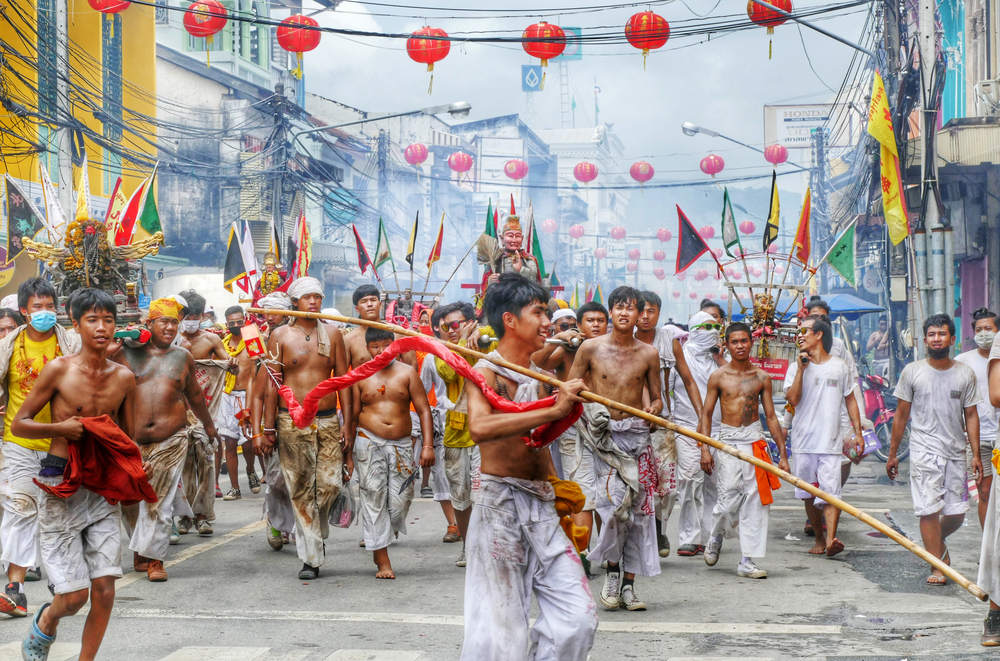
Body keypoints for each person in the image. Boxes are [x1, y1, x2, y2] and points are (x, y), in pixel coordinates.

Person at [462, 272, 595, 660]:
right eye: (538, 312)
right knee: (502, 630)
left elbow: (583, 348)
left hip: (542, 504)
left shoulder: (541, 368)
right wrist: (552, 408)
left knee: (578, 619)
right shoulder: (484, 370)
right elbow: (480, 427)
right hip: (498, 505)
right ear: (510, 320)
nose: (547, 321)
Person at [10, 288, 137, 661]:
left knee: (105, 589)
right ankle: (47, 621)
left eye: (108, 320)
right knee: (73, 597)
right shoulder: (59, 369)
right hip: (59, 478)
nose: (102, 327)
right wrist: (61, 430)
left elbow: (128, 439)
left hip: (101, 484)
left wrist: (133, 481)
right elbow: (20, 423)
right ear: (76, 324)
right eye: (92, 320)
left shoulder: (124, 377)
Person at [112, 297, 221, 581]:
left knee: (158, 501)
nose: (171, 327)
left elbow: (195, 396)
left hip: (171, 439)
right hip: (129, 441)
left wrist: (209, 426)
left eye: (175, 322)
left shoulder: (182, 355)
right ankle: (141, 549)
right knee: (128, 500)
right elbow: (97, 366)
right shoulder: (124, 354)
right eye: (164, 321)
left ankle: (155, 559)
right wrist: (122, 339)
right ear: (149, 324)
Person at [569, 286, 662, 611]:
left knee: (637, 515)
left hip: (637, 439)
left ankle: (629, 585)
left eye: (631, 308)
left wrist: (654, 411)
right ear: (612, 312)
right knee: (611, 511)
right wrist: (589, 408)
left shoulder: (648, 354)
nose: (625, 313)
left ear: (640, 314)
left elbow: (657, 396)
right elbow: (571, 390)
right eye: (619, 307)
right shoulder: (590, 349)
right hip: (604, 440)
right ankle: (611, 572)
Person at [258, 277, 353, 580]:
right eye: (307, 297)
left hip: (327, 419)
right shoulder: (280, 335)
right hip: (290, 421)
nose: (313, 302)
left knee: (330, 484)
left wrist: (348, 423)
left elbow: (344, 381)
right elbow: (273, 384)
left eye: (317, 297)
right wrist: (267, 428)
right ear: (295, 302)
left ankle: (314, 534)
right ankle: (310, 558)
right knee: (299, 489)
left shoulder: (334, 334)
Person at [0, 279, 80, 617]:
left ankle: (60, 580)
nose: (45, 313)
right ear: (23, 311)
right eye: (37, 307)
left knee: (55, 515)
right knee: (21, 507)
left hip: (63, 445)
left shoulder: (73, 343)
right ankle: (13, 588)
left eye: (50, 306)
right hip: (17, 440)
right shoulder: (6, 346)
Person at [887, 313, 980, 584]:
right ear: (924, 340)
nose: (936, 339)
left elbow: (971, 416)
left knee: (957, 513)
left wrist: (974, 454)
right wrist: (893, 454)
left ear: (952, 339)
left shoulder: (965, 373)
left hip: (955, 451)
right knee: (928, 509)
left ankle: (935, 544)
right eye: (931, 334)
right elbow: (901, 416)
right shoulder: (913, 371)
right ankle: (937, 566)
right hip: (923, 450)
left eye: (941, 334)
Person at [699, 322, 788, 578]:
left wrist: (782, 455)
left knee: (756, 500)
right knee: (728, 498)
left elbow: (771, 416)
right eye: (734, 341)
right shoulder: (718, 376)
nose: (740, 346)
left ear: (752, 343)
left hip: (754, 439)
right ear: (727, 344)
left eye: (744, 341)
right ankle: (716, 535)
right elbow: (705, 415)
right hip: (726, 440)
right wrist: (705, 449)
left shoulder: (762, 377)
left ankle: (747, 560)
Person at [351, 328, 435, 579]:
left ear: (395, 347)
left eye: (386, 345)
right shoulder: (360, 375)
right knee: (373, 498)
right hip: (367, 441)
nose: (381, 351)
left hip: (401, 445)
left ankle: (383, 534)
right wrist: (346, 452)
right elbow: (353, 415)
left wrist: (428, 445)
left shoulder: (408, 373)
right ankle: (382, 560)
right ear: (368, 349)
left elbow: (424, 411)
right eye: (375, 346)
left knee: (400, 502)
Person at [785, 315, 863, 558]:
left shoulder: (839, 366)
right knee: (809, 492)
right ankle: (819, 537)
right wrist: (800, 369)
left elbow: (851, 399)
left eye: (805, 331)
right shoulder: (795, 367)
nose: (800, 336)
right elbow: (792, 400)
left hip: (831, 441)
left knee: (831, 493)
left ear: (819, 335)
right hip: (803, 441)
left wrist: (858, 433)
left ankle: (831, 540)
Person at [635, 291, 703, 559]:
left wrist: (701, 416)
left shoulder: (669, 341)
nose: (644, 316)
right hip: (631, 423)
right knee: (639, 485)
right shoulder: (625, 341)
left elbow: (688, 381)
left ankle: (659, 528)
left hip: (664, 424)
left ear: (658, 313)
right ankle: (641, 539)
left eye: (650, 311)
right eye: (640, 311)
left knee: (668, 487)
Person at [429, 303, 486, 568]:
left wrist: (478, 338)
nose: (452, 330)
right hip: (456, 435)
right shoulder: (441, 350)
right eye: (446, 326)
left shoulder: (487, 340)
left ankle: (486, 548)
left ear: (471, 321)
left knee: (484, 498)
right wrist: (462, 341)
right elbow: (449, 372)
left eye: (457, 324)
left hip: (486, 435)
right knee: (461, 500)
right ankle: (468, 546)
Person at [250, 291, 297, 550]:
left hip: (302, 421)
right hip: (276, 423)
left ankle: (297, 525)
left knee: (300, 479)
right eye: (266, 311)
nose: (269, 316)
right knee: (277, 478)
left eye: (275, 311)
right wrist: (261, 431)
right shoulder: (263, 347)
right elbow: (258, 393)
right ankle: (276, 521)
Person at [177, 290, 228, 519]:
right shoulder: (172, 341)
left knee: (207, 460)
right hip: (178, 409)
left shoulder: (211, 339)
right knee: (184, 462)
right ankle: (185, 515)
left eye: (195, 316)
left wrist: (232, 363)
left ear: (202, 315)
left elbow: (228, 362)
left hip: (206, 407)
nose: (190, 321)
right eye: (187, 316)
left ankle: (203, 514)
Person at [672, 311, 720, 557]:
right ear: (693, 329)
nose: (712, 331)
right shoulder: (680, 355)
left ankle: (712, 536)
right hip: (687, 426)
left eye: (716, 326)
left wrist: (722, 359)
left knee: (715, 484)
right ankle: (689, 537)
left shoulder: (720, 358)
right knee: (690, 479)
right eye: (706, 326)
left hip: (719, 430)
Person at [956, 308, 998, 526]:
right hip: (978, 440)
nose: (983, 333)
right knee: (984, 493)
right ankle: (988, 551)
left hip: (999, 436)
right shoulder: (963, 361)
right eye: (979, 329)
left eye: (988, 328)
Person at [218, 305, 260, 500]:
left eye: (239, 321)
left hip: (247, 396)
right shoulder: (222, 344)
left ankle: (251, 470)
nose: (236, 325)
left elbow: (253, 376)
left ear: (245, 320)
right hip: (227, 396)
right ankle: (235, 488)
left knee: (250, 444)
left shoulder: (252, 338)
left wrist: (249, 407)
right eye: (232, 322)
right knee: (230, 443)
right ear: (227, 324)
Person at [482, 199, 540, 287]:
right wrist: (491, 280)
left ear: (522, 238)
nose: (514, 240)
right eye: (510, 235)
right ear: (502, 238)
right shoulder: (495, 259)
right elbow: (485, 283)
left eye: (517, 236)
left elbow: (534, 281)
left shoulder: (529, 259)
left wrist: (521, 269)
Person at [344, 285, 383, 369]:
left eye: (373, 300)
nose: (369, 304)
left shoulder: (397, 334)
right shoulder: (349, 340)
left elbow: (412, 366)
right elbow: (342, 375)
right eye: (364, 301)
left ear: (380, 305)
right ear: (357, 309)